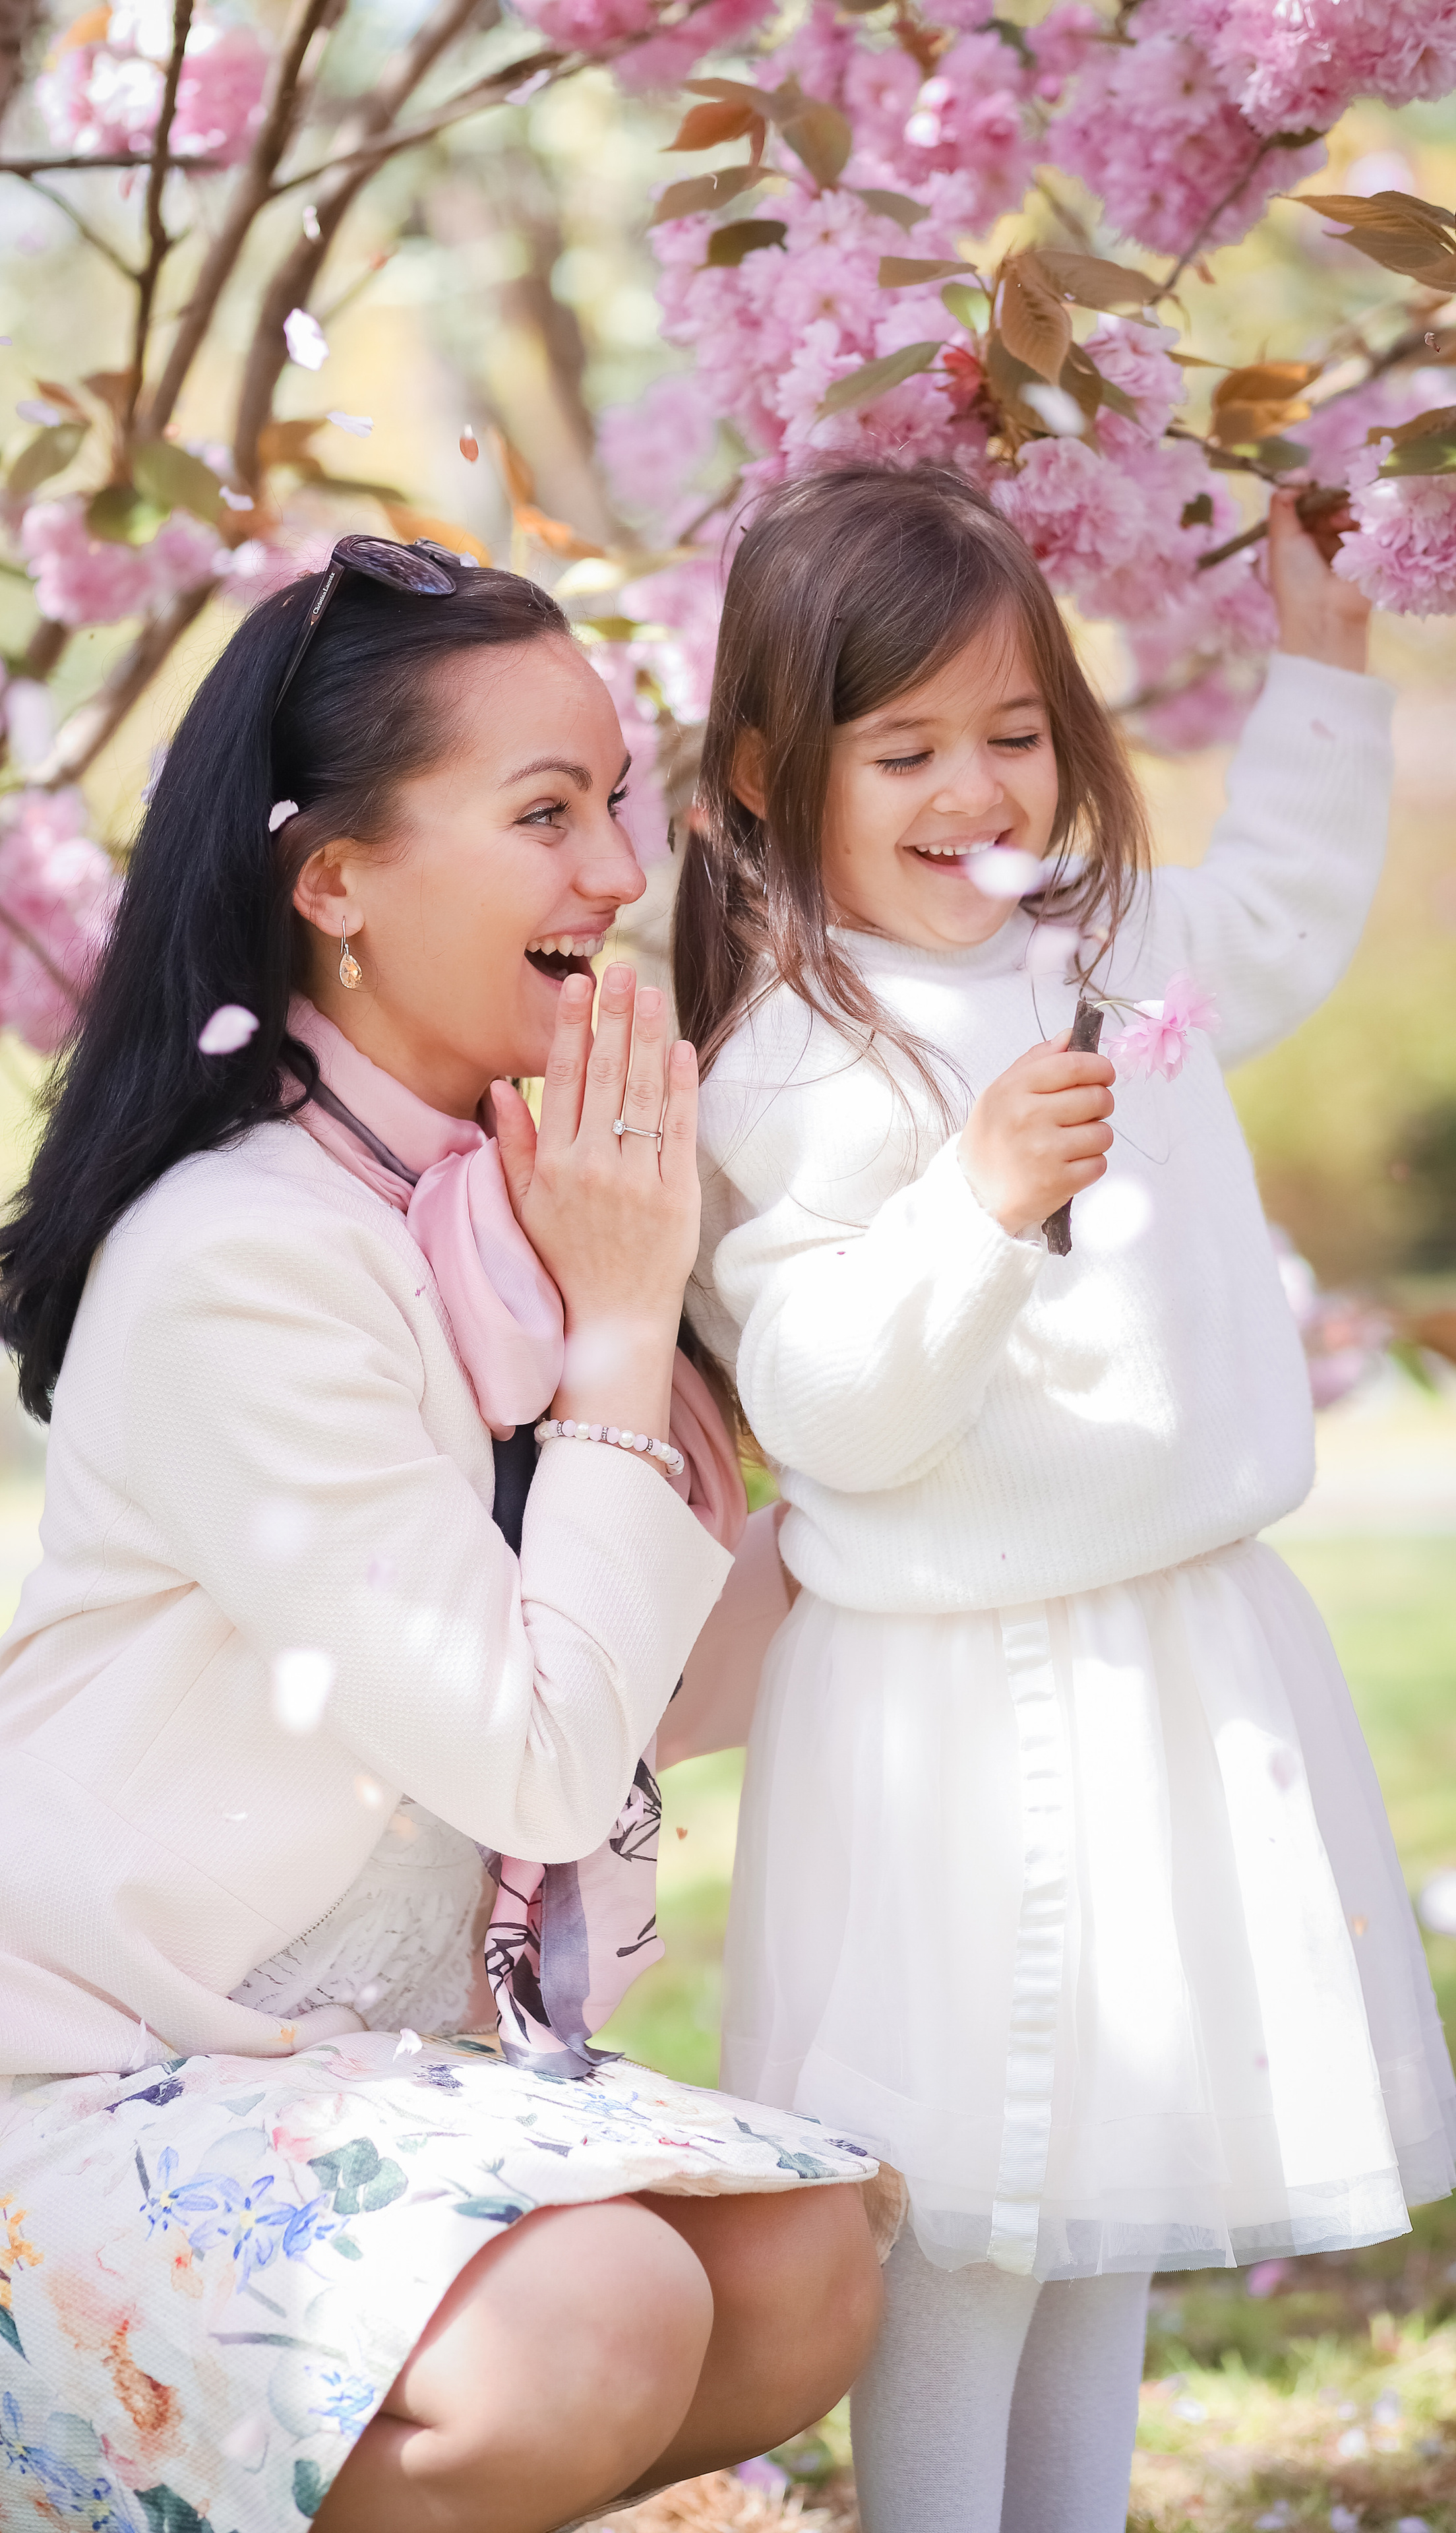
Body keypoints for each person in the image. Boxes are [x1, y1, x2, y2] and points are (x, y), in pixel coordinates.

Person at [0, 542, 886, 2533]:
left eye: (615, 804)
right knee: (603, 2312)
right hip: (25, 2099)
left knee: (807, 2269)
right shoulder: (243, 1259)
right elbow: (536, 1749)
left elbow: (663, 1686)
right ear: (334, 880)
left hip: (330, 2081)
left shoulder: (519, 1211)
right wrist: (627, 1326)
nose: (619, 876)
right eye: (546, 814)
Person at [674, 463, 1456, 2533]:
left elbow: (1277, 916)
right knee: (961, 2209)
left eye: (1017, 734)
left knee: (1109, 2175)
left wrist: (1317, 666)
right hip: (955, 1700)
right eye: (906, 747)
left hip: (1172, 1647)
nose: (979, 789)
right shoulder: (797, 1052)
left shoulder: (1116, 943)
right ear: (774, 773)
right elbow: (833, 1405)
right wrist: (981, 1204)